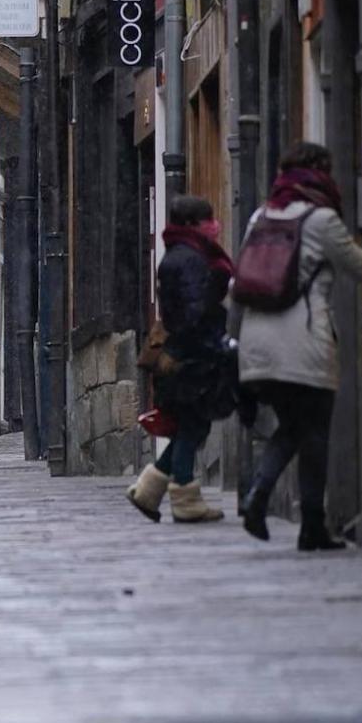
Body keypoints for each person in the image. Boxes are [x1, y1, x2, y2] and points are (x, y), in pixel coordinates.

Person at [234, 142, 362, 550]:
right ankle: (311, 525)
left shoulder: (261, 216)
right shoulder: (321, 219)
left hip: (258, 343)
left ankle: (261, 493)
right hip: (303, 341)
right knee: (315, 431)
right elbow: (361, 267)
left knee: (293, 426)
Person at [126, 195, 232, 524]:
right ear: (192, 225)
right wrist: (208, 342)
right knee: (191, 423)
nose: (214, 226)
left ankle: (149, 490)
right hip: (191, 353)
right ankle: (185, 498)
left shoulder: (181, 254)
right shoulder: (189, 258)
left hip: (186, 349)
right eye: (208, 221)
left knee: (190, 423)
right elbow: (194, 308)